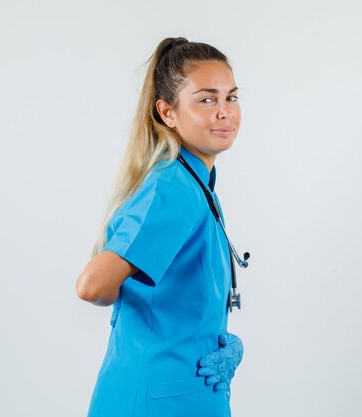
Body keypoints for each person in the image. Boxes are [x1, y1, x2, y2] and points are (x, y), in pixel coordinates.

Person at [75, 37, 245, 417]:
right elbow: (92, 285)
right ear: (167, 112)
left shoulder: (196, 184)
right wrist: (132, 314)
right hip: (158, 398)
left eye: (231, 98)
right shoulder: (173, 188)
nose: (224, 112)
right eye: (206, 99)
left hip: (184, 392)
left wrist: (206, 340)